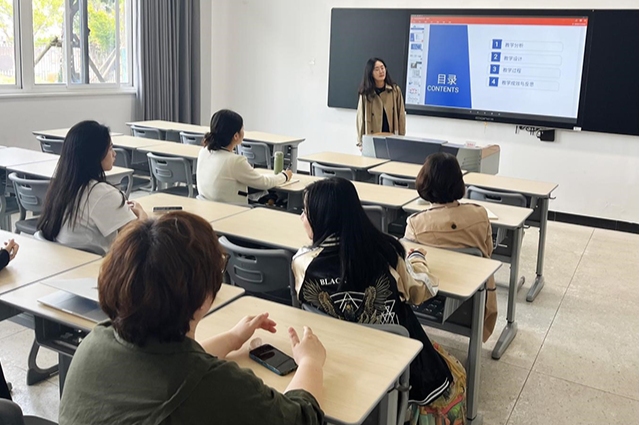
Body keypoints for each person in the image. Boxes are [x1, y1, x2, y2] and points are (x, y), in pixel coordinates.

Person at [59, 211, 326, 425]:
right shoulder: (218, 386)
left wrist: (232, 339)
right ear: (201, 297)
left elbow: (167, 366)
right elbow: (304, 417)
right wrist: (310, 362)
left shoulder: (96, 340)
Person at [291, 177, 452, 406]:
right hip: (394, 361)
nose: (301, 218)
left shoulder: (302, 263)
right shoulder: (386, 252)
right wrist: (417, 259)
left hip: (336, 356)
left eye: (306, 212)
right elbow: (420, 291)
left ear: (322, 218)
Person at [404, 152, 497, 342]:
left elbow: (410, 266)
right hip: (475, 301)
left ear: (424, 181)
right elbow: (488, 253)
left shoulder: (416, 224)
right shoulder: (480, 215)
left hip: (428, 299)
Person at [37, 121, 147, 255]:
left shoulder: (61, 187)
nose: (114, 154)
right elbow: (139, 241)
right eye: (110, 148)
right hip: (95, 264)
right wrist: (141, 213)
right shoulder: (102, 193)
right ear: (95, 154)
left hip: (66, 262)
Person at [197, 109, 293, 204]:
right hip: (232, 210)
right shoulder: (235, 161)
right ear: (236, 136)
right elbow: (264, 183)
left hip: (205, 205)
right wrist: (284, 176)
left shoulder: (204, 151)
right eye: (242, 128)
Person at [356, 57, 406, 150]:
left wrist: (402, 138)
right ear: (370, 73)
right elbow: (360, 117)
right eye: (377, 69)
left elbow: (401, 115)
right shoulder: (366, 94)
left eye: (382, 68)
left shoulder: (394, 90)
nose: (381, 71)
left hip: (391, 136)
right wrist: (360, 141)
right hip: (372, 136)